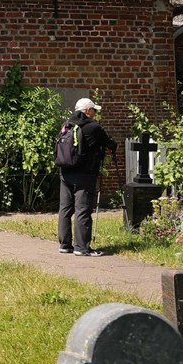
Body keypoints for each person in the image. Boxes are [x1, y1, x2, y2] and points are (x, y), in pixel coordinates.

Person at [58, 97, 117, 256]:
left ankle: (65, 245)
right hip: (85, 175)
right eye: (94, 110)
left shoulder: (66, 126)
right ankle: (82, 248)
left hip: (65, 173)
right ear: (88, 111)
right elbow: (108, 142)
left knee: (65, 209)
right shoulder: (93, 127)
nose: (95, 113)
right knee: (82, 210)